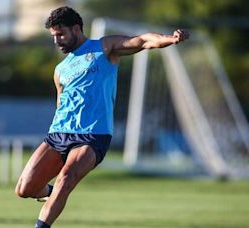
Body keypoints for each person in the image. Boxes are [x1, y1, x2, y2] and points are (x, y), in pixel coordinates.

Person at [14, 6, 189, 228]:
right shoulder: (60, 69)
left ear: (76, 29)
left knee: (66, 179)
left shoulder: (104, 48)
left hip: (92, 136)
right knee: (24, 189)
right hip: (58, 134)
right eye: (53, 36)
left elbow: (142, 41)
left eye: (61, 34)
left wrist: (170, 39)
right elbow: (61, 104)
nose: (57, 40)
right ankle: (52, 192)